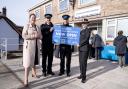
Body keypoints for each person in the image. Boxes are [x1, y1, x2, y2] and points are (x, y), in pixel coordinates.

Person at [22, 13, 42, 87]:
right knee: (27, 64)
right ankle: (25, 79)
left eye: (34, 17)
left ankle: (34, 74)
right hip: (28, 47)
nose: (33, 19)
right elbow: (23, 35)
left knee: (34, 61)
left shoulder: (37, 27)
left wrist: (40, 36)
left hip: (36, 46)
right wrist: (33, 36)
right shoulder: (26, 26)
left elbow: (41, 36)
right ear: (29, 19)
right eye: (32, 17)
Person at [78, 19, 91, 83]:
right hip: (80, 49)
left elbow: (86, 39)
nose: (83, 24)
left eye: (85, 23)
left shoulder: (88, 30)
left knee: (83, 63)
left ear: (87, 24)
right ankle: (81, 74)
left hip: (85, 49)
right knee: (80, 63)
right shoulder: (81, 30)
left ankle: (84, 77)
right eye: (83, 23)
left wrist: (79, 44)